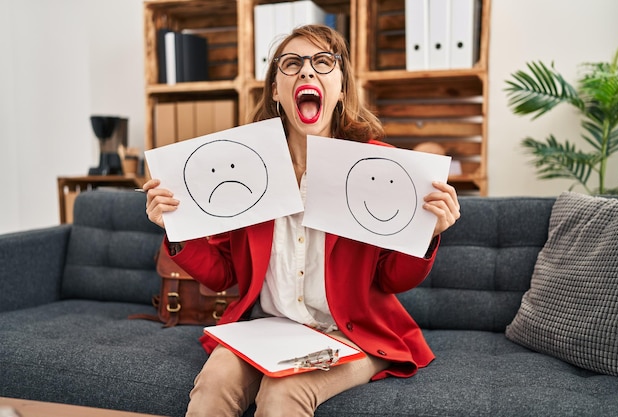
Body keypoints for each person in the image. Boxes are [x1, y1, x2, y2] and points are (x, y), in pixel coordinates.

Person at [144, 24, 460, 417]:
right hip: (267, 328)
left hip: (351, 335)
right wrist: (177, 228)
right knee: (213, 383)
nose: (307, 72)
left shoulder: (374, 165)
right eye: (292, 63)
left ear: (341, 87)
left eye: (323, 62)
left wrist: (427, 235)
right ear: (276, 89)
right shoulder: (246, 168)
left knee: (283, 395)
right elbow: (222, 275)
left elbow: (391, 280)